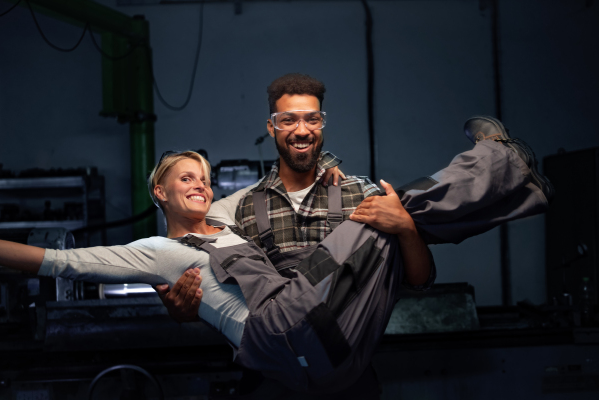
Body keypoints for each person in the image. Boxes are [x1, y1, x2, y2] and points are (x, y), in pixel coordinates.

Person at [157, 73, 553, 399]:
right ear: (272, 127)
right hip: (272, 372)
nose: (301, 130)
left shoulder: (357, 192)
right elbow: (223, 299)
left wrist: (404, 230)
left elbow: (418, 280)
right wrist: (186, 311)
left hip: (348, 357)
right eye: (289, 120)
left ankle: (506, 168)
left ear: (322, 123)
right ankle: (507, 169)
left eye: (311, 119)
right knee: (415, 203)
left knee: (406, 209)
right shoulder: (238, 209)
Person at [0, 150, 431, 396]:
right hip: (273, 346)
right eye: (186, 178)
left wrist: (323, 171)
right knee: (374, 218)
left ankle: (493, 169)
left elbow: (285, 180)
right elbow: (61, 262)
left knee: (395, 217)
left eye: (204, 178)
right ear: (159, 192)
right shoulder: (159, 252)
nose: (200, 184)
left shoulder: (226, 219)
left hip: (307, 325)